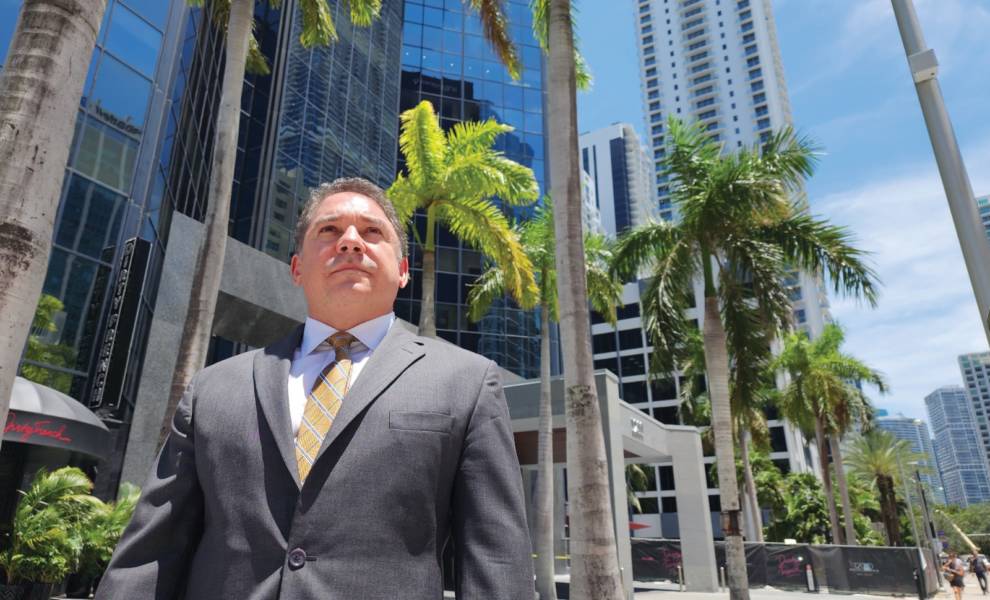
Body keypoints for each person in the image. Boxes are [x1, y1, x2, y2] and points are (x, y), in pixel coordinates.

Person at [96, 177, 534, 598]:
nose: (350, 241)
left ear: (402, 271)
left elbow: (496, 557)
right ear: (297, 268)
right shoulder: (213, 388)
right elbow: (151, 553)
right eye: (329, 230)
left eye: (371, 232)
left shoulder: (468, 381)